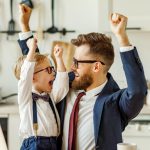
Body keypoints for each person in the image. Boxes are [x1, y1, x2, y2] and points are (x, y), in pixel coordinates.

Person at [18, 4, 147, 150]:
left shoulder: (116, 102)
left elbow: (137, 92)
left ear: (96, 66)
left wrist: (122, 37)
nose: (72, 67)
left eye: (77, 63)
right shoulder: (65, 85)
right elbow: (38, 68)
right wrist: (24, 25)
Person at [14, 36, 69, 150]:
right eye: (49, 70)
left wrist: (59, 59)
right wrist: (32, 50)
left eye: (52, 69)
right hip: (35, 145)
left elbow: (63, 85)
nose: (53, 74)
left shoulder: (50, 96)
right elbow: (25, 76)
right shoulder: (26, 97)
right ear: (33, 77)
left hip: (54, 144)